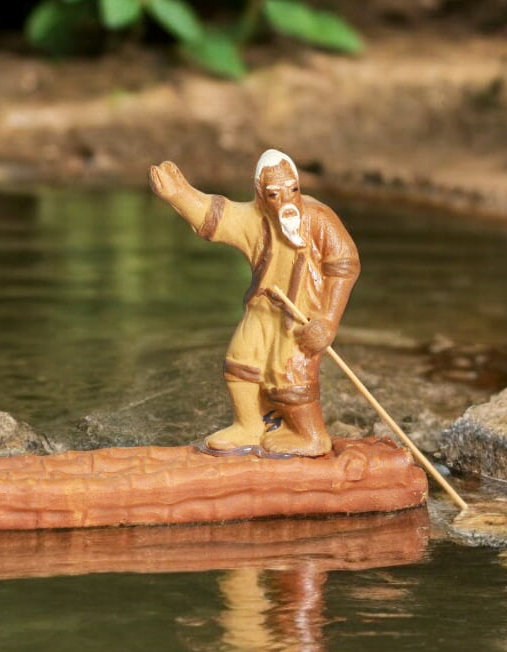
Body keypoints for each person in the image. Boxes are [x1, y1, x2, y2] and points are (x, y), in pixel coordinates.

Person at [149, 150, 360, 457]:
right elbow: (216, 216)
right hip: (263, 310)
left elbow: (344, 265)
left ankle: (312, 436)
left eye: (293, 190)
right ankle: (249, 426)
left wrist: (327, 320)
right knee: (241, 361)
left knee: (289, 373)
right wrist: (181, 195)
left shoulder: (319, 219)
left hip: (303, 318)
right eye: (275, 194)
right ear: (261, 195)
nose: (286, 201)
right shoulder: (255, 218)